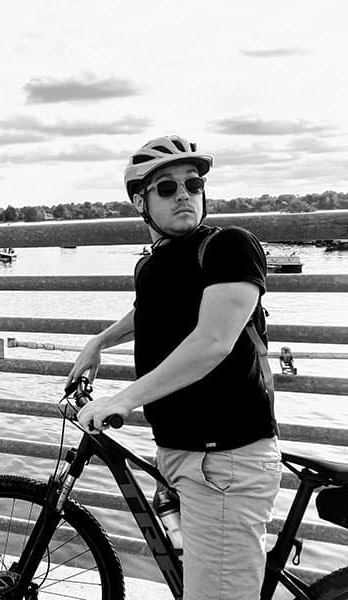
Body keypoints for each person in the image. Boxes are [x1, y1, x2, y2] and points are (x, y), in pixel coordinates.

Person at [66, 135, 281, 600]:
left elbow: (213, 341)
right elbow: (152, 310)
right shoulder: (154, 265)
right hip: (184, 454)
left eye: (193, 183)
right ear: (141, 201)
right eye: (167, 187)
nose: (184, 193)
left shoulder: (230, 248)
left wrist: (124, 397)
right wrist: (100, 341)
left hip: (226, 459)